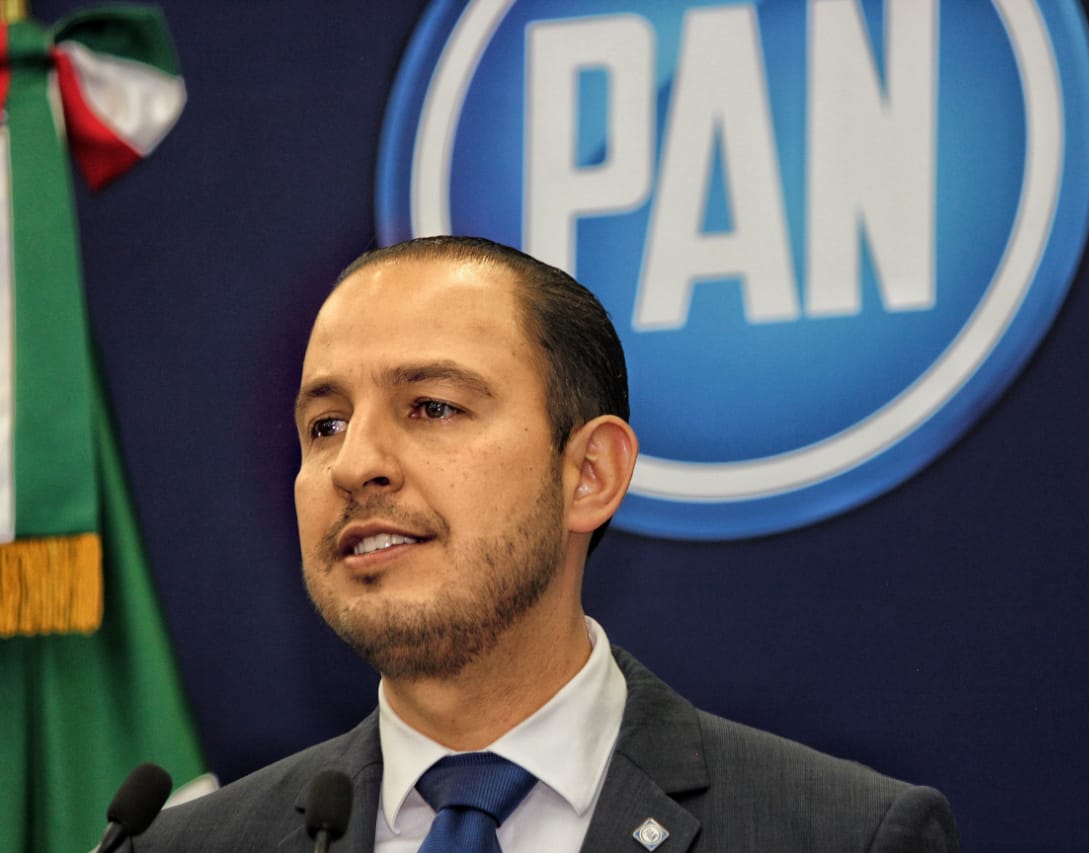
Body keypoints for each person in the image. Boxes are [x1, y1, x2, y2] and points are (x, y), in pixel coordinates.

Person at [131, 236, 961, 852]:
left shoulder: (841, 834)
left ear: (590, 474)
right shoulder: (177, 846)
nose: (355, 464)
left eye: (432, 407)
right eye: (326, 424)